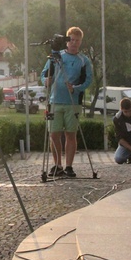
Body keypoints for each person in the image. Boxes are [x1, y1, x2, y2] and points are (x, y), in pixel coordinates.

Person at [41, 26, 93, 178]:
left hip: (73, 102)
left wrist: (76, 88)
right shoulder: (56, 56)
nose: (74, 43)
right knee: (54, 134)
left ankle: (69, 166)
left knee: (71, 134)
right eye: (72, 40)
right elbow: (43, 74)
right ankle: (57, 165)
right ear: (67, 41)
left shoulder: (84, 60)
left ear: (80, 42)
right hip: (54, 100)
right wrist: (46, 80)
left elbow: (88, 80)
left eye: (77, 40)